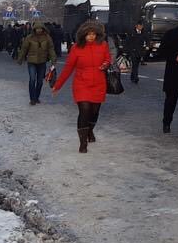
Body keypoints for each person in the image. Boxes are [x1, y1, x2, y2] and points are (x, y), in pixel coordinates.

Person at [52, 20, 111, 153]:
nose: (91, 37)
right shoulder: (76, 48)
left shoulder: (103, 45)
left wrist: (105, 64)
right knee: (84, 111)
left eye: (94, 34)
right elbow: (68, 68)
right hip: (81, 84)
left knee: (94, 112)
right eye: (88, 34)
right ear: (83, 35)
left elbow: (108, 59)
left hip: (98, 83)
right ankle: (83, 143)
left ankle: (90, 131)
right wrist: (57, 85)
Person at [17, 21, 57, 105]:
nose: (39, 30)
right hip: (31, 62)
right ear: (34, 29)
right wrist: (20, 58)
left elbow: (51, 49)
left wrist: (53, 60)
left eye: (40, 29)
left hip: (42, 62)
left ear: (43, 29)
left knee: (40, 81)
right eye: (37, 29)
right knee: (32, 79)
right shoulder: (29, 37)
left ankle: (36, 97)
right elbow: (24, 48)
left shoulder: (47, 38)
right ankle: (32, 98)